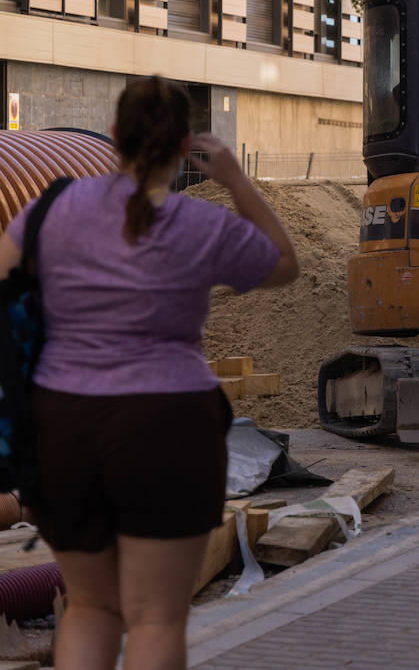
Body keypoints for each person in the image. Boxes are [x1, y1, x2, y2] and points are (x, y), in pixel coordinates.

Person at [0, 76, 299, 669]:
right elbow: (284, 265)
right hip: (171, 423)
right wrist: (234, 178)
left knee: (88, 607)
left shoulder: (51, 209)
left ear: (114, 137)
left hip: (66, 425)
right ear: (185, 145)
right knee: (157, 617)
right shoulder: (200, 225)